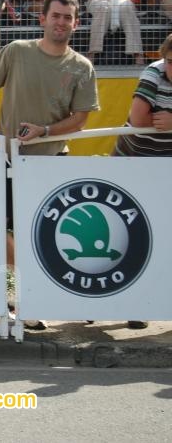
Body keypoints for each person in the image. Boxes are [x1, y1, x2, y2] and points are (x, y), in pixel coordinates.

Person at [0, 0, 99, 330]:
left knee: (53, 237)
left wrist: (44, 131)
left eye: (67, 17)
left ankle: (54, 298)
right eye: (56, 15)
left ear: (75, 23)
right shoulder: (16, 52)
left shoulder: (81, 66)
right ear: (42, 18)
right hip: (8, 160)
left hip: (52, 162)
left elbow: (81, 119)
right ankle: (30, 289)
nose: (61, 22)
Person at [111, 33, 172, 329]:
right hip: (134, 163)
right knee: (133, 236)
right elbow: (138, 120)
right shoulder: (153, 73)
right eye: (171, 61)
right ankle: (134, 306)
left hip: (165, 167)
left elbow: (158, 121)